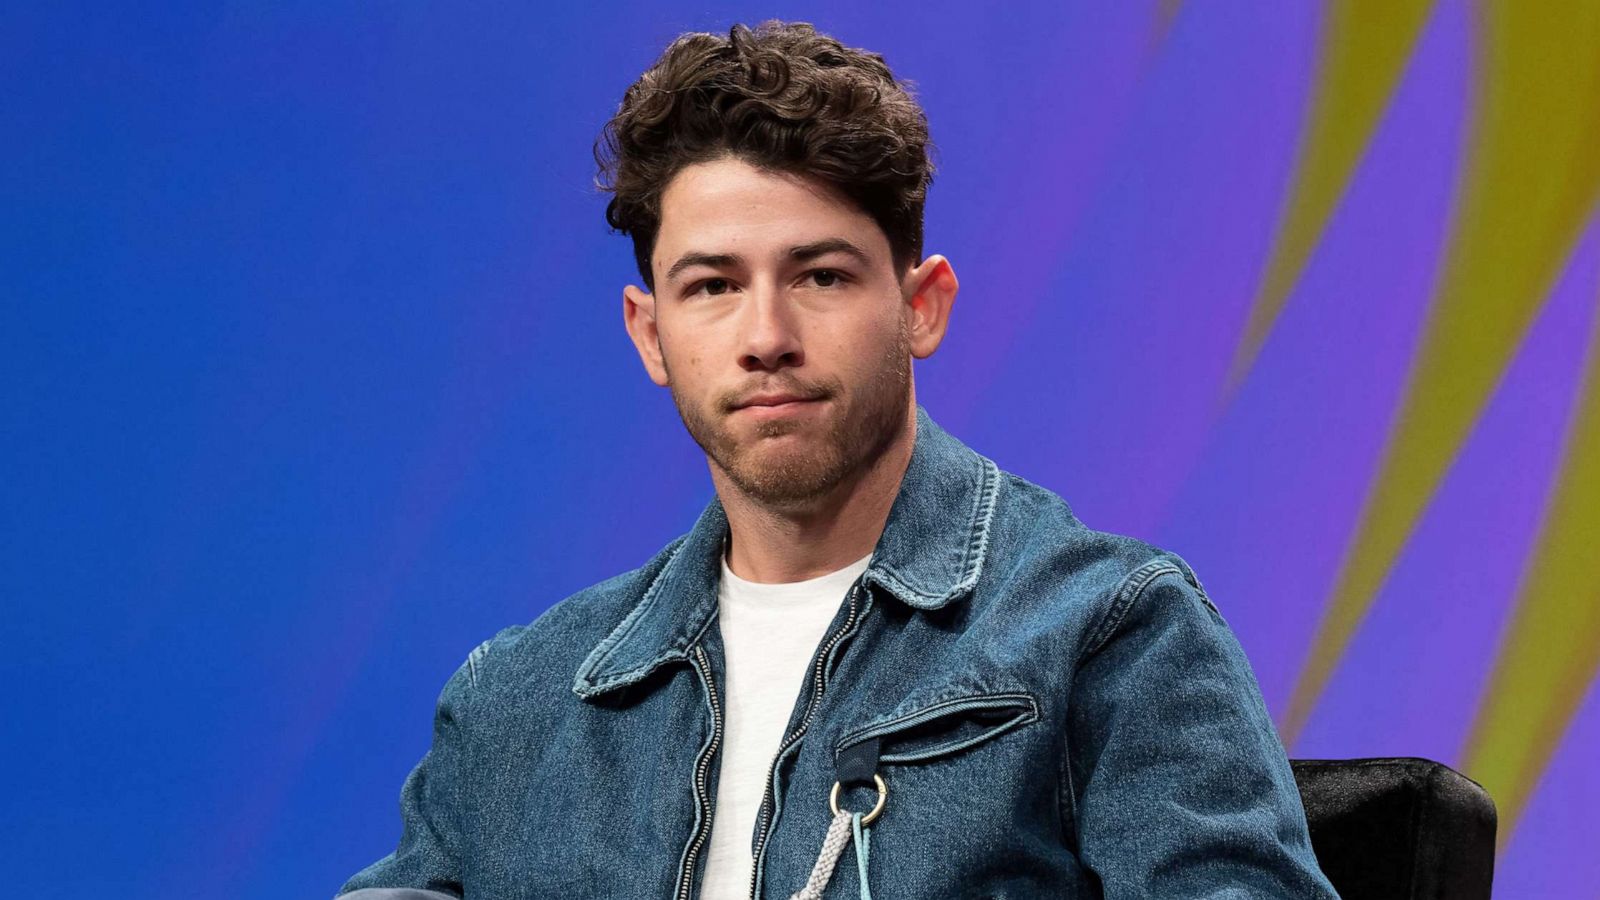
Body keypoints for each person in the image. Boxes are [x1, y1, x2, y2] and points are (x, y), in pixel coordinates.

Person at [338, 19, 1339, 900]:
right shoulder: (520, 699)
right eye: (711, 286)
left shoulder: (1107, 633)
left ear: (920, 306)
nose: (765, 333)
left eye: (818, 275)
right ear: (649, 334)